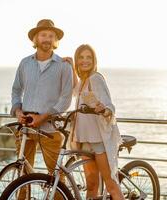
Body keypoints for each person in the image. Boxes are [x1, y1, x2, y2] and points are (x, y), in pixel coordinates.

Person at [11, 19, 73, 198]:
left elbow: (65, 99)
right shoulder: (24, 63)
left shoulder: (64, 65)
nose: (47, 38)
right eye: (43, 35)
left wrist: (44, 117)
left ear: (55, 40)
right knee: (22, 173)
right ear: (36, 39)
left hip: (50, 128)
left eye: (51, 36)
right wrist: (17, 111)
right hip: (26, 127)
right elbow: (16, 90)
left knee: (57, 177)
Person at [71, 44, 124, 200]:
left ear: (94, 60)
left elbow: (110, 107)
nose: (85, 61)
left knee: (111, 186)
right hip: (85, 141)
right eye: (81, 57)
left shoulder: (96, 78)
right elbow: (75, 92)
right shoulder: (83, 82)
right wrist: (69, 67)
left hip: (99, 140)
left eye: (89, 57)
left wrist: (104, 109)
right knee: (92, 186)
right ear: (77, 60)